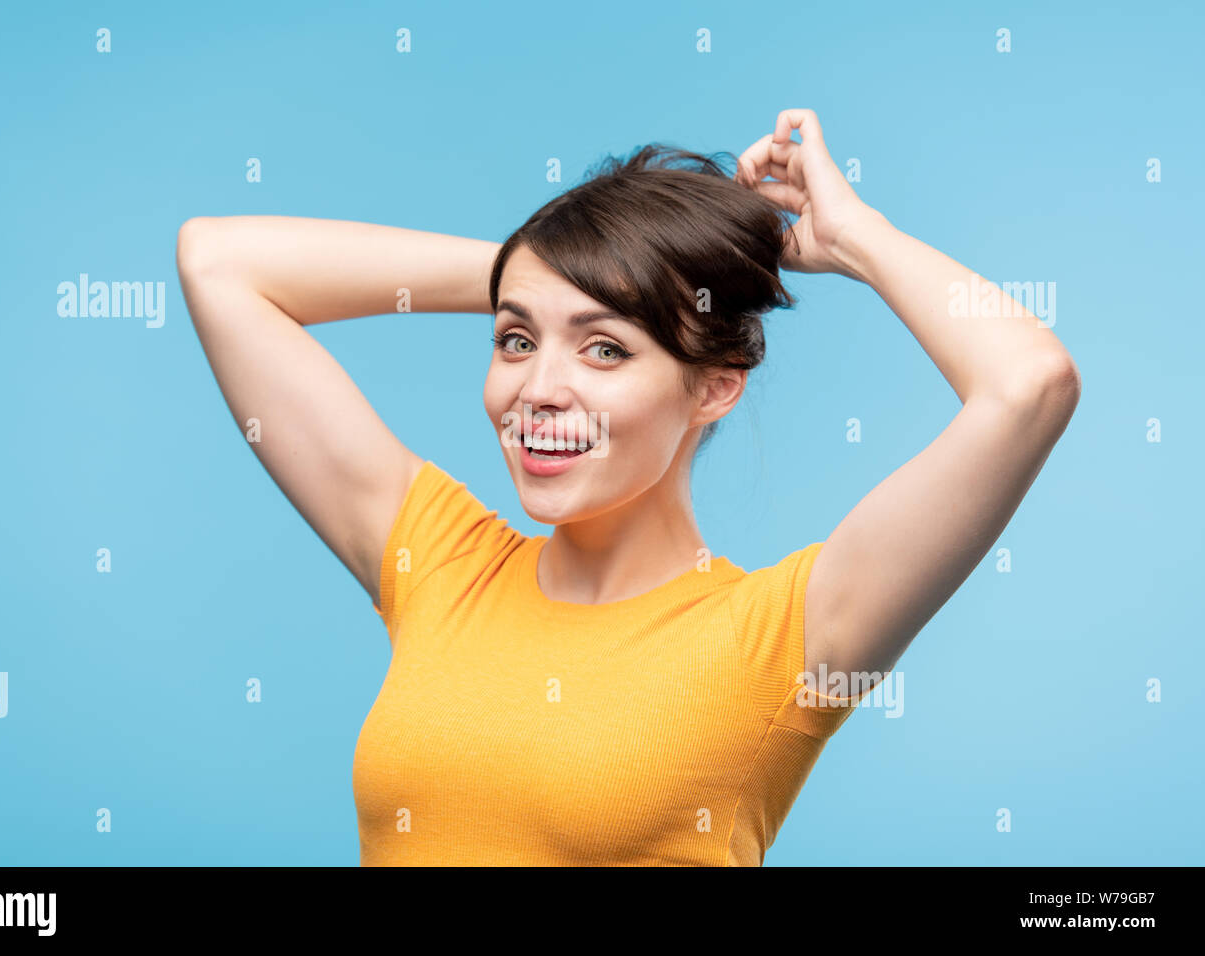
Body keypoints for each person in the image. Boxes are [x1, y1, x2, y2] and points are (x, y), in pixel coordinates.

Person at [175, 109, 1081, 866]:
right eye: (516, 338)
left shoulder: (785, 641)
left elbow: (1028, 385)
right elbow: (219, 262)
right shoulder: (440, 564)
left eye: (606, 348)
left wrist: (857, 240)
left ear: (715, 386)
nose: (538, 389)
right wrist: (553, 264)